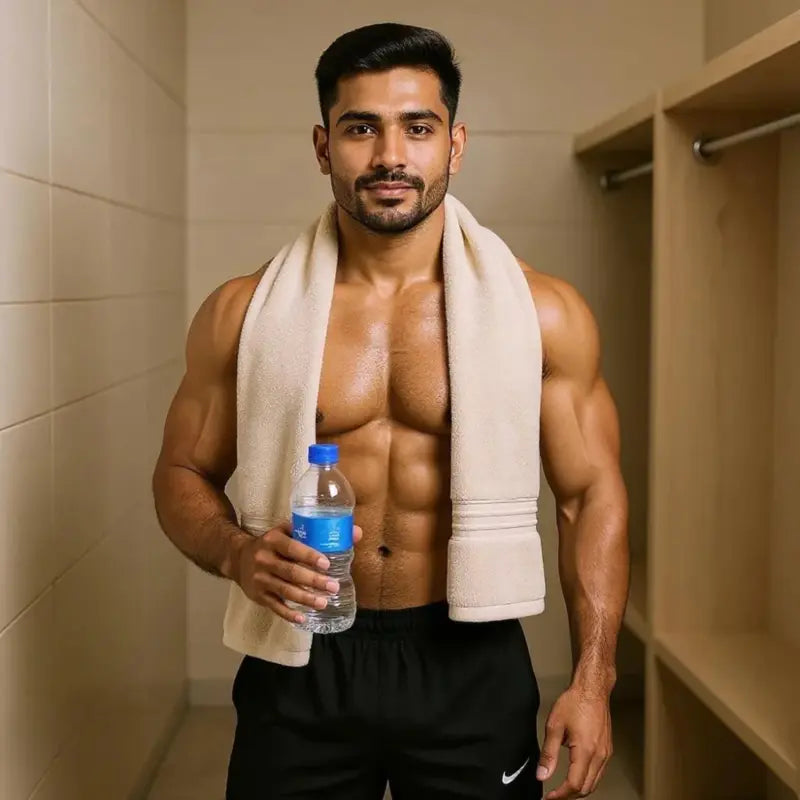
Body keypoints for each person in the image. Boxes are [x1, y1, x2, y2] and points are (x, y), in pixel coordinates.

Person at [152, 22, 629, 800]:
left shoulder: (541, 314)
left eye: (418, 127)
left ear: (456, 143)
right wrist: (238, 554)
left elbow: (590, 493)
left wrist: (594, 679)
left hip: (467, 657)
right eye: (360, 128)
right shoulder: (243, 313)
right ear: (321, 145)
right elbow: (179, 473)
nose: (389, 156)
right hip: (300, 655)